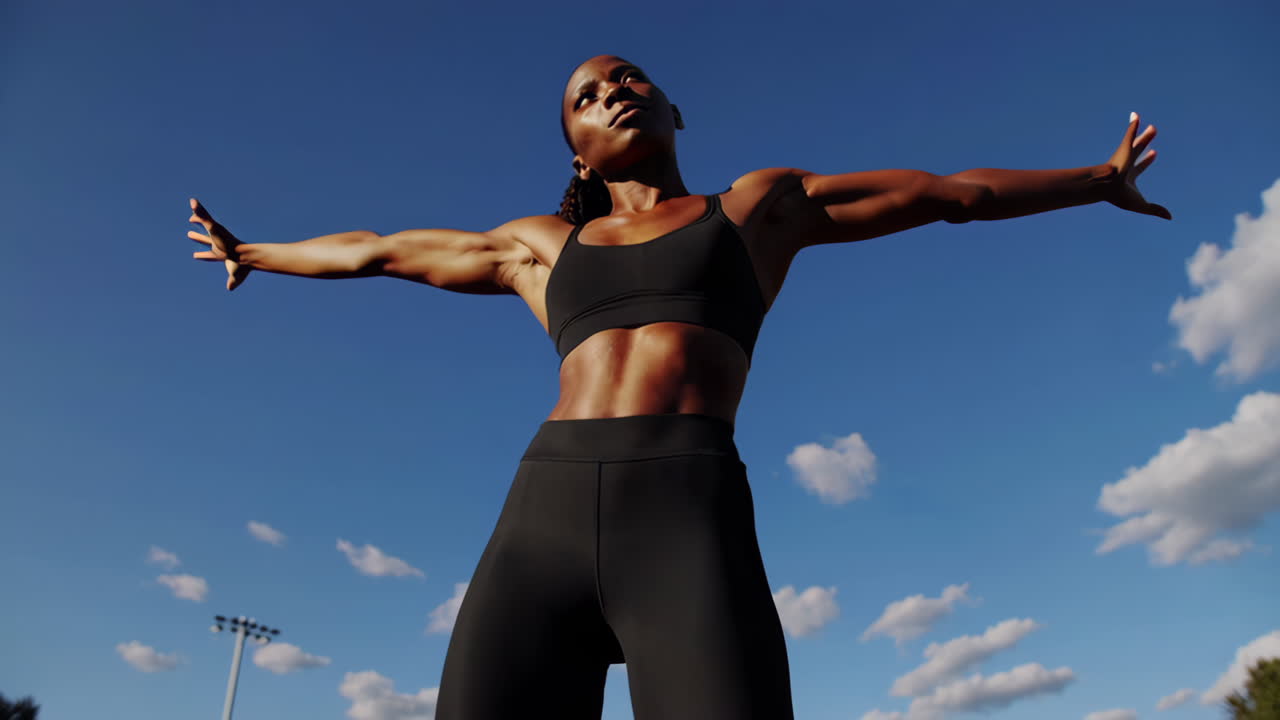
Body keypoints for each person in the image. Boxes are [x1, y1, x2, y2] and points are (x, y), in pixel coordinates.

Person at [187, 55, 1169, 720]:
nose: (612, 92)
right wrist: (255, 252)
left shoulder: (756, 210)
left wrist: (1095, 177)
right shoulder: (542, 246)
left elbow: (947, 193)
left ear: (671, 110)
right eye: (586, 95)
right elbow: (382, 251)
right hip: (540, 522)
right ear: (575, 147)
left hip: (687, 519)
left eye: (628, 79)